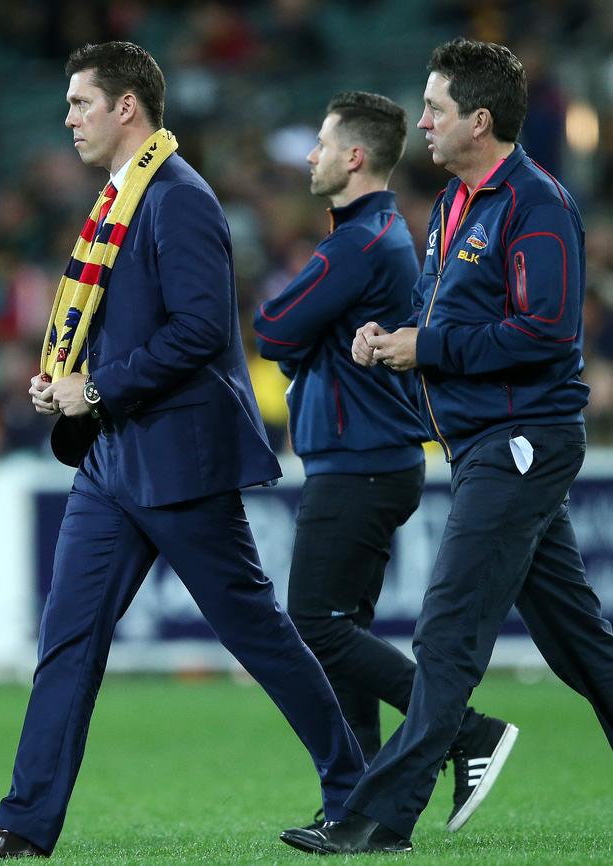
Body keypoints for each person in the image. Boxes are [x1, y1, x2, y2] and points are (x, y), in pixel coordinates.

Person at [0, 41, 367, 860]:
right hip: (112, 462)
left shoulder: (178, 198)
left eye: (81, 103)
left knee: (257, 634)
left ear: (126, 108)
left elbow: (202, 331)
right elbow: (126, 326)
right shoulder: (118, 201)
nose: (68, 118)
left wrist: (99, 388)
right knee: (67, 640)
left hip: (179, 460)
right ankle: (23, 823)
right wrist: (63, 379)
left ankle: (359, 796)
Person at [280, 38, 613, 856]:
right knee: (578, 645)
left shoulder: (535, 204)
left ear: (482, 120)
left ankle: (380, 817)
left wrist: (422, 349)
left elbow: (543, 332)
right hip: (483, 444)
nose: (422, 121)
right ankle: (388, 805)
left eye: (435, 108)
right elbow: (455, 327)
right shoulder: (462, 204)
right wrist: (396, 341)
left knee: (447, 630)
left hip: (522, 441)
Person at [254, 90, 517, 832]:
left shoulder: (360, 244)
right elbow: (289, 332)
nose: (311, 155)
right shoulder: (371, 238)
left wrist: (305, 336)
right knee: (341, 634)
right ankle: (360, 807)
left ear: (355, 156)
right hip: (367, 458)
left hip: (361, 461)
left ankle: (468, 732)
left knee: (313, 623)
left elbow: (272, 327)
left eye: (321, 142)